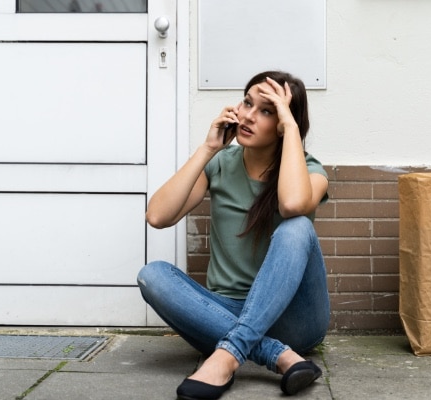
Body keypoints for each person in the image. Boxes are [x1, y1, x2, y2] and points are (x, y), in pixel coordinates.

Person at [137, 71, 330, 400]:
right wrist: (207, 149)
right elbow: (157, 216)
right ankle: (276, 355)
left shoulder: (311, 171)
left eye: (267, 111)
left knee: (297, 225)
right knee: (152, 274)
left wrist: (293, 129)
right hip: (221, 314)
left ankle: (227, 356)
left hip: (294, 319)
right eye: (247, 103)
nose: (249, 116)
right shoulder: (221, 164)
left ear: (284, 124)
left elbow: (293, 203)